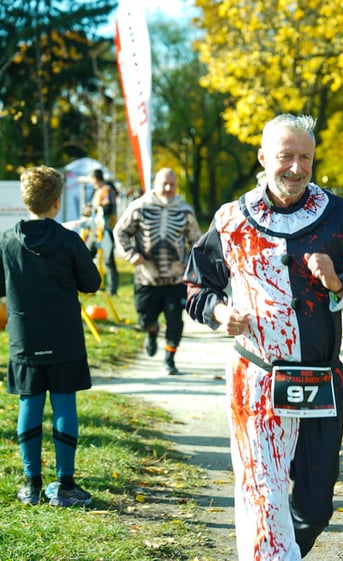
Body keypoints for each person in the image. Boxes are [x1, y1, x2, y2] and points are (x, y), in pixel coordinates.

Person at [183, 113, 343, 561]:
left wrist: (339, 283)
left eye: (305, 158)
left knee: (314, 508)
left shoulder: (341, 217)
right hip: (256, 379)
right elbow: (196, 285)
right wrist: (219, 312)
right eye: (285, 157)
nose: (295, 168)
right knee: (261, 492)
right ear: (262, 158)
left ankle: (286, 548)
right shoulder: (232, 219)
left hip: (319, 382)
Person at [0, 166, 101, 506]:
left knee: (29, 403)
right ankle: (67, 485)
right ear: (57, 203)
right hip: (65, 337)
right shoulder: (69, 240)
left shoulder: (6, 241)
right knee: (63, 402)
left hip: (24, 337)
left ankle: (31, 485)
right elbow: (92, 282)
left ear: (25, 199)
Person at [113, 168, 201, 375]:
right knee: (145, 318)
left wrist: (192, 265)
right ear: (155, 184)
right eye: (165, 184)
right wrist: (130, 253)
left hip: (176, 279)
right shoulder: (140, 207)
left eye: (173, 184)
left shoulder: (185, 210)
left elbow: (196, 240)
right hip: (146, 278)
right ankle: (151, 332)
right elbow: (120, 231)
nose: (169, 188)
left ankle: (169, 359)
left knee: (175, 322)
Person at [91, 169, 119, 295]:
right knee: (88, 255)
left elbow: (109, 207)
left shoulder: (108, 189)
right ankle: (90, 285)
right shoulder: (97, 191)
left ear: (95, 178)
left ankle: (112, 289)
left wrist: (99, 208)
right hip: (97, 229)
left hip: (107, 229)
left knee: (109, 259)